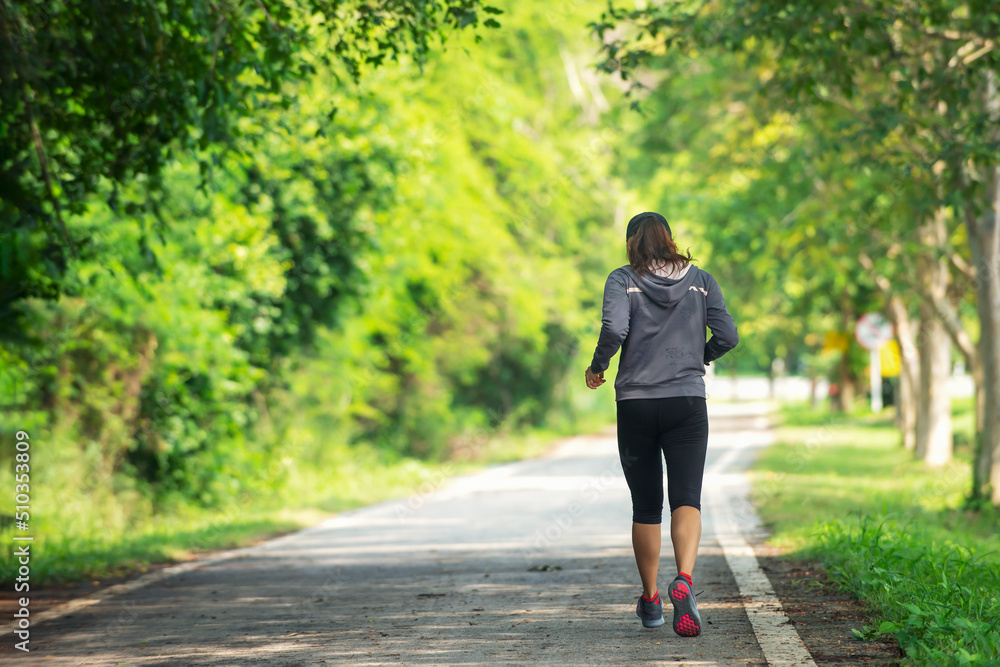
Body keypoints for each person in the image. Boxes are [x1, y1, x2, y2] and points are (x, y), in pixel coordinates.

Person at [585, 211, 738, 637]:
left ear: (632, 241)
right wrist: (699, 358)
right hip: (687, 402)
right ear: (670, 238)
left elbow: (615, 328)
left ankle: (650, 600)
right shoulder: (701, 280)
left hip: (636, 403)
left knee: (646, 505)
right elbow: (728, 336)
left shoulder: (621, 280)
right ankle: (684, 580)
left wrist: (598, 366)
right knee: (687, 496)